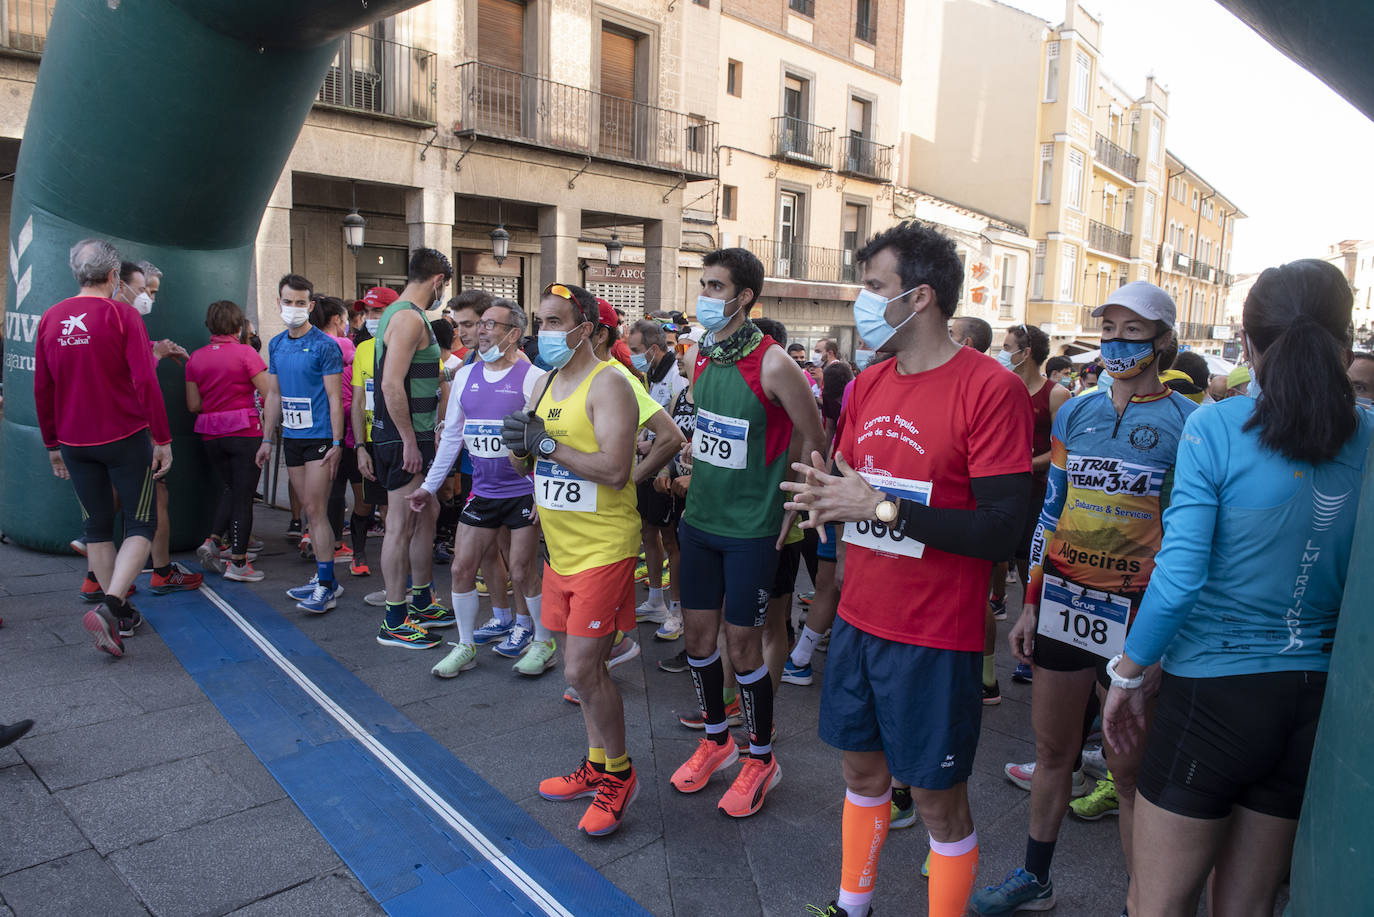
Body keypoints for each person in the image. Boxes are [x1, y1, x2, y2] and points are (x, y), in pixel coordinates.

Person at [1102, 259, 1372, 917]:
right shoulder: (1367, 434)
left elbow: (1180, 575)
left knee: (1157, 904)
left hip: (1214, 695)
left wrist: (1129, 672)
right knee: (1247, 908)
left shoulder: (1217, 425)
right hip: (1315, 701)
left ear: (1247, 346)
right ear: (1344, 347)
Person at [781, 222, 1032, 917]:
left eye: (874, 288)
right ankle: (851, 905)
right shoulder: (866, 383)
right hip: (861, 617)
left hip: (936, 635)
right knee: (861, 772)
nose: (863, 303)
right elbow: (853, 481)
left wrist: (883, 509)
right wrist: (824, 500)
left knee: (935, 799)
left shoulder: (990, 388)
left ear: (919, 297)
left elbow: (1001, 528)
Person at [975, 282, 1196, 917]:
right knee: (1052, 752)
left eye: (1135, 330)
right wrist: (1031, 602)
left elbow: (1185, 537)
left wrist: (1159, 642)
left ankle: (1140, 901)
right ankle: (1034, 877)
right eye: (1111, 328)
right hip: (1066, 602)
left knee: (1129, 774)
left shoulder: (1189, 421)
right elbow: (1053, 511)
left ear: (1162, 340)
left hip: (1135, 614)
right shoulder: (1075, 411)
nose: (1120, 341)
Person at [671, 247, 824, 819]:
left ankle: (761, 757)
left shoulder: (775, 362)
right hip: (700, 522)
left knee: (742, 646)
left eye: (716, 287)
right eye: (703, 284)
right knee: (696, 641)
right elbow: (711, 430)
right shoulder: (699, 355)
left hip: (754, 530)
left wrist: (795, 507)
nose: (705, 296)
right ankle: (717, 741)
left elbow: (815, 440)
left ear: (745, 298)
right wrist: (689, 458)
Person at [503, 281, 642, 836]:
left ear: (586, 327)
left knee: (582, 669)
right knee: (588, 674)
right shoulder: (547, 384)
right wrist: (521, 446)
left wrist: (546, 445)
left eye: (557, 321)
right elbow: (526, 469)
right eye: (541, 321)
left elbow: (614, 470)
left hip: (605, 548)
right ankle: (597, 762)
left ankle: (621, 775)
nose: (545, 332)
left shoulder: (612, 384)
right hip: (559, 549)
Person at [35, 239, 173, 656]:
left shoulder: (51, 318)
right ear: (114, 276)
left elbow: (43, 388)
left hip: (75, 441)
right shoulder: (122, 314)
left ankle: (122, 613)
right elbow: (145, 381)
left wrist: (51, 445)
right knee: (141, 524)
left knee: (97, 526)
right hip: (124, 436)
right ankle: (112, 607)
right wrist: (163, 438)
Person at [409, 298, 552, 677]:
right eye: (481, 324)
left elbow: (545, 444)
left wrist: (541, 492)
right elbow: (453, 437)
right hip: (484, 492)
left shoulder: (533, 378)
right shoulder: (464, 377)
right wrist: (428, 486)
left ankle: (543, 641)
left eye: (491, 324)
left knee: (522, 571)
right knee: (460, 568)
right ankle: (466, 645)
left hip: (521, 492)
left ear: (514, 334)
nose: (482, 330)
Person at [368, 248, 456, 648]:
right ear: (438, 281)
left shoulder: (406, 315)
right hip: (404, 436)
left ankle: (420, 599)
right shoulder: (405, 317)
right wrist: (408, 440)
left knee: (428, 511)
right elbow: (390, 383)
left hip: (414, 433)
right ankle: (394, 617)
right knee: (400, 524)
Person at [258, 274, 345, 614]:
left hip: (320, 437)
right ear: (278, 303)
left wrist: (337, 442)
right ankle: (324, 577)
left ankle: (326, 585)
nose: (292, 308)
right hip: (292, 438)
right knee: (308, 509)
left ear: (310, 306)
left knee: (315, 509)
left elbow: (335, 398)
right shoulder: (277, 344)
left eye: (299, 303)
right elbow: (274, 394)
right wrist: (267, 438)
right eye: (287, 301)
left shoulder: (325, 345)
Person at [993, 323, 1071, 701]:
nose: (1004, 352)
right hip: (1002, 490)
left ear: (1027, 351)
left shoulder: (1056, 394)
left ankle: (1032, 645)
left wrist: (1027, 464)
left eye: (1008, 346)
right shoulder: (1001, 386)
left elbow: (1065, 453)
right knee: (994, 563)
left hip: (1037, 492)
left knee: (1029, 570)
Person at [185, 300, 269, 582]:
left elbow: (194, 404)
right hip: (245, 431)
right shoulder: (246, 353)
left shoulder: (195, 358)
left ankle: (212, 540)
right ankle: (238, 563)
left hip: (211, 433)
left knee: (232, 488)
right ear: (238, 325)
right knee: (244, 497)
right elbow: (269, 393)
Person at [626, 318, 688, 632]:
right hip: (647, 466)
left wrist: (653, 446)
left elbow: (681, 432)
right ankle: (655, 600)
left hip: (671, 470)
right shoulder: (649, 374)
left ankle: (675, 610)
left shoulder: (677, 378)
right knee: (648, 532)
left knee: (670, 540)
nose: (631, 355)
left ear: (652, 349)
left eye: (635, 349)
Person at [347, 287, 400, 579]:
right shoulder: (363, 349)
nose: (371, 317)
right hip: (373, 441)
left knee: (402, 514)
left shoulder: (411, 346)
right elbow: (357, 401)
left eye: (378, 311)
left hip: (406, 442)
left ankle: (408, 582)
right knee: (377, 506)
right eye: (367, 312)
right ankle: (367, 558)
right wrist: (360, 447)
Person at [814, 338, 854, 445]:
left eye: (818, 351)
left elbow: (830, 425)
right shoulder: (826, 372)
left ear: (830, 353)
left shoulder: (835, 373)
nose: (815, 355)